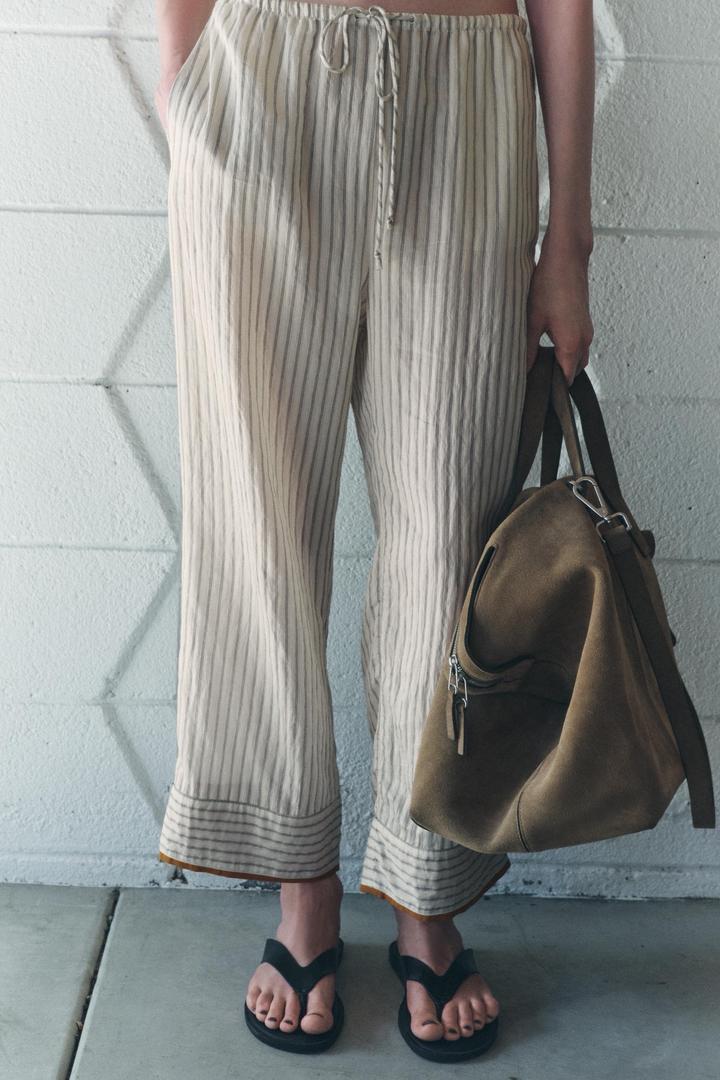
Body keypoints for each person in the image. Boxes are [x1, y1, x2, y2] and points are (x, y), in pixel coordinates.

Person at [153, 0, 594, 1060]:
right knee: (255, 521)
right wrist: (186, 94)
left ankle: (422, 888)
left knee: (450, 535)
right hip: (264, 74)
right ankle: (298, 882)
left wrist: (568, 237)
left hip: (470, 95)